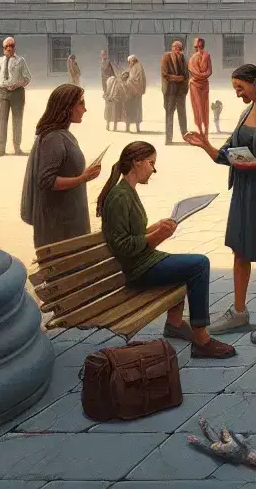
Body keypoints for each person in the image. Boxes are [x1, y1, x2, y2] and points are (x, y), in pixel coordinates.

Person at [186, 63, 256, 345]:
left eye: (240, 88)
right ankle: (239, 311)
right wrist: (205, 145)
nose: (237, 94)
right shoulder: (246, 113)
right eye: (235, 89)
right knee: (239, 251)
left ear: (254, 83)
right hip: (242, 193)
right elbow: (228, 154)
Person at [97, 141, 235, 358]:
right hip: (137, 270)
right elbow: (123, 247)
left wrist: (156, 228)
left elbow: (133, 233)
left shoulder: (126, 191)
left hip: (142, 262)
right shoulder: (120, 197)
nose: (153, 169)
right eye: (151, 163)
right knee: (199, 265)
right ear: (137, 162)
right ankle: (201, 340)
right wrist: (157, 236)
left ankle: (174, 323)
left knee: (187, 264)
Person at [19, 83, 101, 249]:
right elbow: (47, 181)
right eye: (81, 104)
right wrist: (82, 178)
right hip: (58, 224)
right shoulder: (53, 138)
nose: (84, 110)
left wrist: (83, 176)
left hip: (67, 219)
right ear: (67, 107)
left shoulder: (63, 135)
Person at [0, 37, 32, 156]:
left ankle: (17, 148)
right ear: (3, 48)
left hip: (17, 93)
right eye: (7, 47)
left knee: (17, 120)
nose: (9, 49)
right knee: (2, 121)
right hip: (2, 92)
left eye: (12, 46)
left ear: (15, 47)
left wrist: (17, 84)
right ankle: (1, 148)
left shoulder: (20, 60)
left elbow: (27, 78)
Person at [161, 40, 190, 145]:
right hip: (170, 91)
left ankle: (185, 136)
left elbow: (187, 74)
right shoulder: (166, 58)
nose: (178, 50)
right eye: (175, 47)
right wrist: (178, 78)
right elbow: (165, 74)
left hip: (181, 91)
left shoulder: (183, 58)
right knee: (169, 113)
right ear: (172, 48)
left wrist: (185, 84)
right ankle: (168, 138)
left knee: (182, 114)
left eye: (179, 48)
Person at [188, 37, 213, 135]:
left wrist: (201, 76)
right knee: (199, 107)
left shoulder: (203, 57)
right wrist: (203, 76)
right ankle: (202, 130)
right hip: (197, 85)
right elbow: (198, 72)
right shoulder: (194, 58)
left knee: (202, 107)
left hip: (201, 85)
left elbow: (208, 71)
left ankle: (204, 130)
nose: (198, 48)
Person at [122, 54, 147, 132]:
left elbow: (134, 79)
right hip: (133, 93)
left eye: (130, 61)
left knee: (134, 110)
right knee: (131, 110)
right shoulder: (134, 67)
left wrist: (127, 82)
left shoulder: (137, 67)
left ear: (133, 60)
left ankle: (136, 128)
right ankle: (130, 128)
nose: (129, 63)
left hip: (134, 93)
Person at [100, 49, 118, 129]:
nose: (103, 56)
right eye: (102, 54)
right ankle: (108, 123)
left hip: (110, 85)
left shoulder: (108, 63)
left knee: (113, 105)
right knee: (108, 106)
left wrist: (112, 82)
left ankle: (113, 124)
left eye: (104, 54)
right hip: (106, 87)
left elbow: (112, 74)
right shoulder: (102, 63)